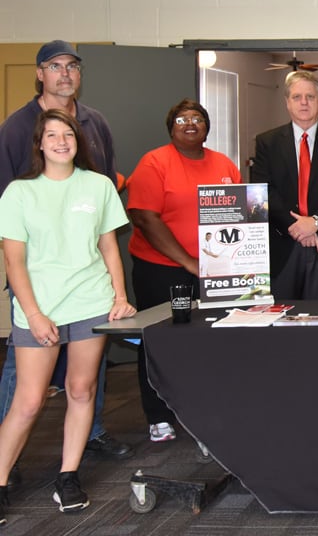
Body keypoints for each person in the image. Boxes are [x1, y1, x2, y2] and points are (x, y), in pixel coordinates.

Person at [0, 41, 130, 482]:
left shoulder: (96, 128)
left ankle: (75, 461)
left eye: (72, 66)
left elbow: (107, 230)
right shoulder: (16, 131)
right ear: (41, 73)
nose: (65, 73)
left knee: (83, 386)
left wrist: (118, 294)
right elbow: (13, 246)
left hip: (89, 296)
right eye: (55, 66)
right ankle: (8, 466)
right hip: (37, 292)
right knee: (26, 394)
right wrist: (31, 307)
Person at [126, 98, 241, 443]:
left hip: (214, 270)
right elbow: (145, 217)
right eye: (181, 119)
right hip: (162, 269)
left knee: (209, 342)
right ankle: (159, 414)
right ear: (171, 126)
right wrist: (190, 263)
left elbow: (240, 213)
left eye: (197, 119)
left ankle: (203, 410)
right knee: (160, 340)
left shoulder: (223, 163)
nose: (190, 124)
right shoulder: (154, 162)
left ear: (207, 127)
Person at [250, 70, 318, 300]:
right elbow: (262, 190)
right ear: (287, 102)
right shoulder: (266, 142)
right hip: (282, 244)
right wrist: (298, 227)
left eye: (310, 96)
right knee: (279, 324)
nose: (304, 102)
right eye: (297, 97)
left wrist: (316, 222)